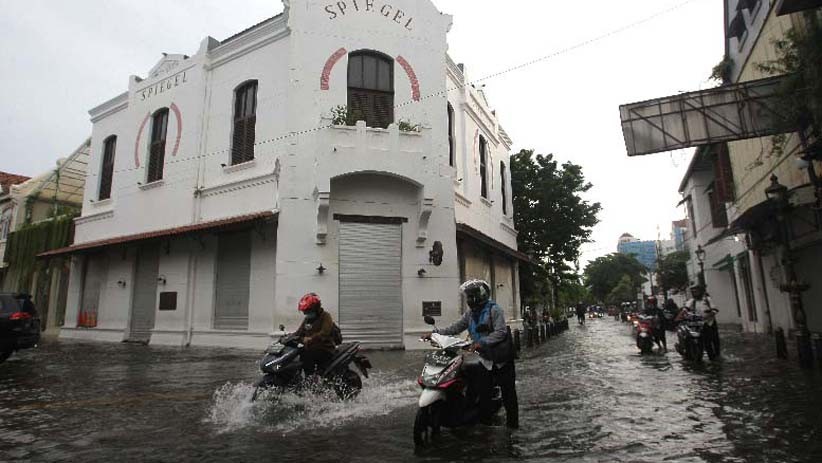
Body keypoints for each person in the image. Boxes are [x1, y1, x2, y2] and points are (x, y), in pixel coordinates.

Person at [423, 280, 519, 429]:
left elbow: (501, 332)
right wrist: (435, 334)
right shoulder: (470, 314)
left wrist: (482, 342)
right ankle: (484, 427)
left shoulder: (494, 310)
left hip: (501, 360)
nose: (468, 300)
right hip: (485, 360)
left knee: (509, 396)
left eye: (471, 296)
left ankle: (513, 429)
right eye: (467, 296)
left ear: (480, 295)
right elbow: (456, 327)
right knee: (484, 395)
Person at [293, 293, 337, 377]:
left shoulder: (326, 316)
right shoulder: (307, 319)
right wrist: (288, 337)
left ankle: (310, 380)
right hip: (312, 347)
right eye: (305, 311)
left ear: (316, 308)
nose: (306, 313)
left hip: (325, 348)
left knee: (306, 356)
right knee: (298, 354)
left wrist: (310, 338)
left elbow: (325, 332)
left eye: (308, 311)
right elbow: (299, 332)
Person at [678, 285, 720, 358]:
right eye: (693, 292)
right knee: (704, 342)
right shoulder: (692, 301)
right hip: (698, 324)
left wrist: (708, 315)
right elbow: (685, 309)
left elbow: (715, 310)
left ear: (700, 291)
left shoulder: (707, 299)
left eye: (696, 292)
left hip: (710, 323)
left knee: (714, 341)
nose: (694, 293)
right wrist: (678, 317)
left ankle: (717, 356)